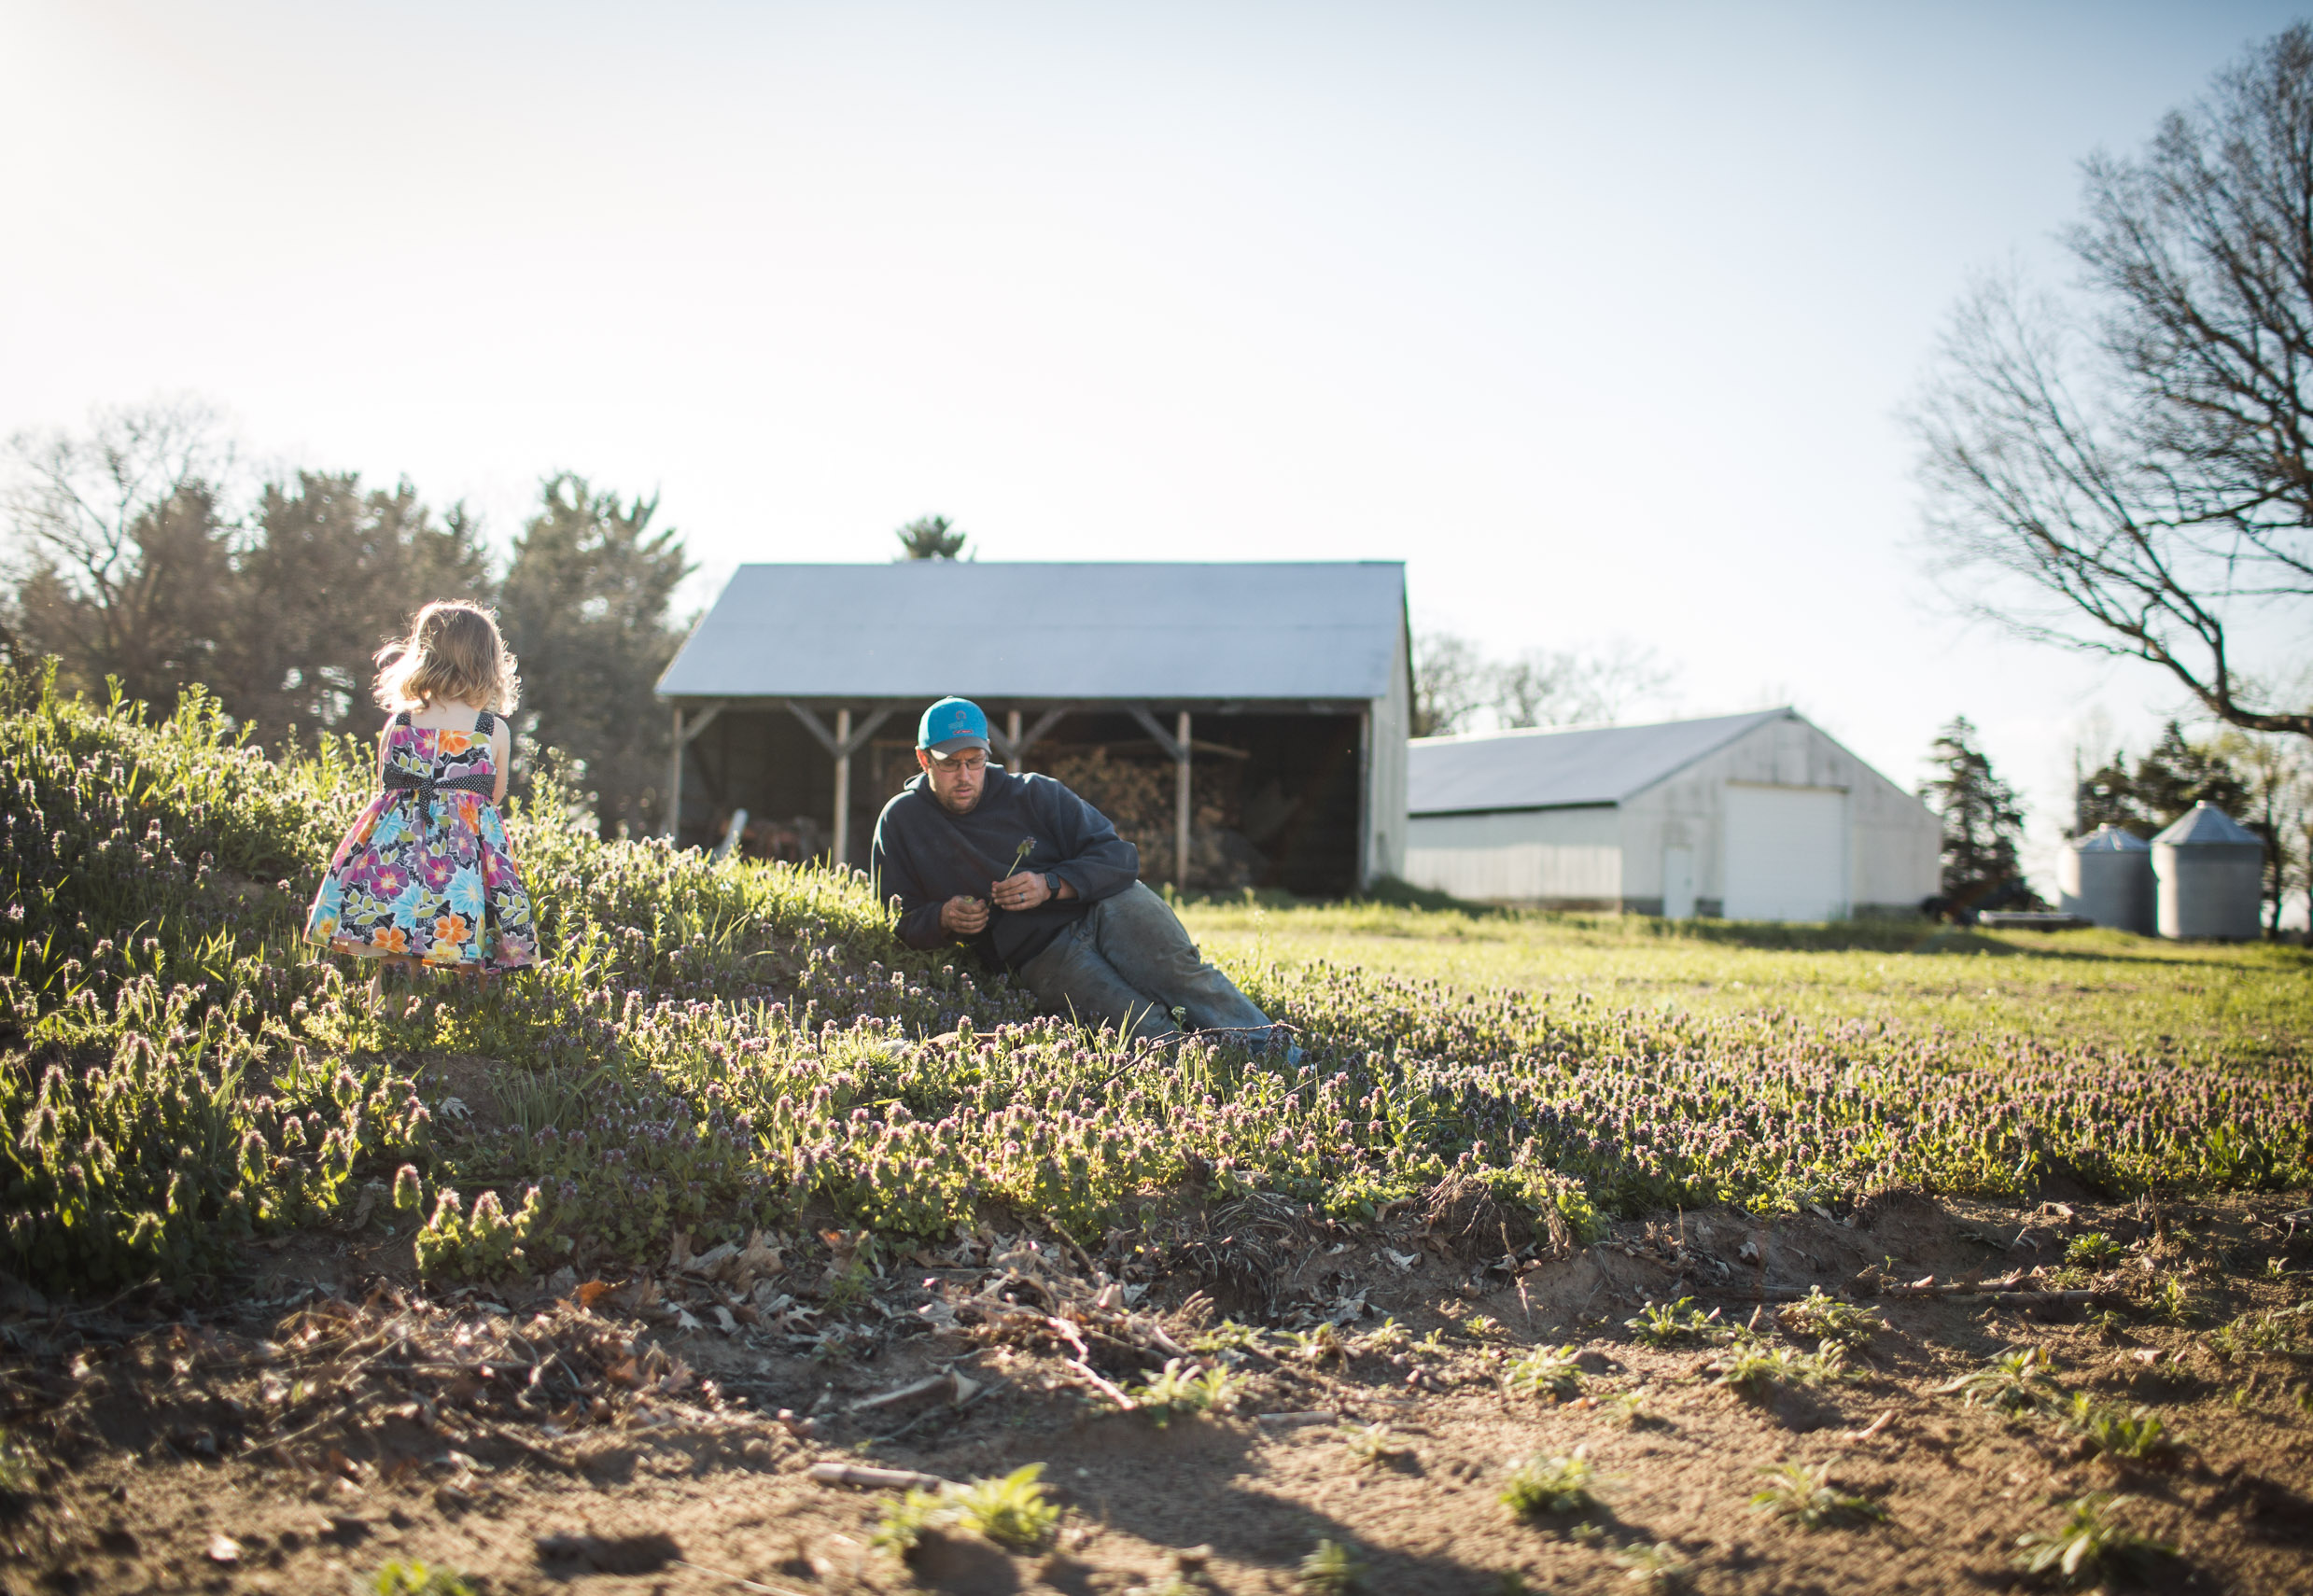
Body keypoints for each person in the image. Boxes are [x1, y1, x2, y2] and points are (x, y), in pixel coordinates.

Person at [871, 696, 1281, 1045]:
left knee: (1187, 979)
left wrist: (1052, 884)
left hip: (1108, 907)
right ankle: (1223, 1085)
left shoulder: (1035, 792)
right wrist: (943, 918)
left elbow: (1120, 858)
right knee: (1147, 1030)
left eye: (974, 761)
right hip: (1043, 954)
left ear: (987, 754)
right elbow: (896, 916)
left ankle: (1285, 1058)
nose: (964, 776)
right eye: (949, 764)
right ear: (924, 759)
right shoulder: (901, 821)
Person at [304, 600, 540, 989]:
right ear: (489, 663)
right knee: (471, 944)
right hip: (462, 860)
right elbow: (492, 799)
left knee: (397, 951)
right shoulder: (491, 729)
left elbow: (387, 786)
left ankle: (384, 1027)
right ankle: (473, 1030)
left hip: (398, 854)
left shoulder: (398, 723)